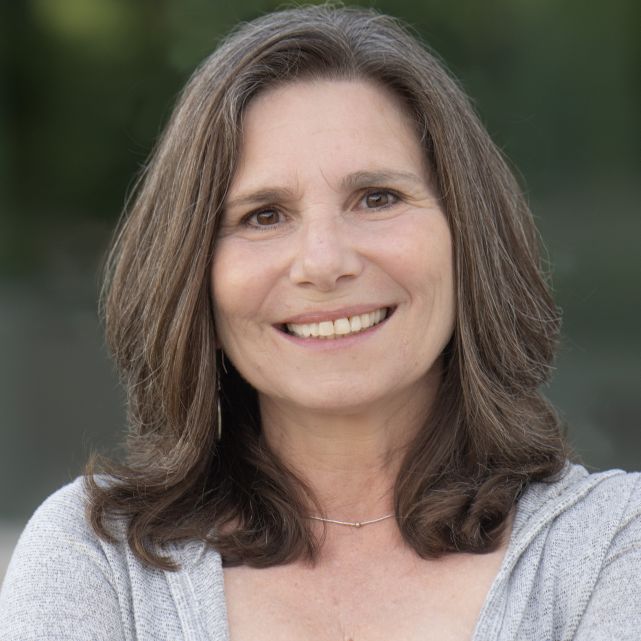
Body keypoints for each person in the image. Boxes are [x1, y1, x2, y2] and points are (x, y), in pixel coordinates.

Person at [1, 5, 639, 640]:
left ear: (467, 236)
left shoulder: (610, 549)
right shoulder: (100, 563)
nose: (324, 263)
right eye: (263, 215)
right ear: (192, 271)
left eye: (378, 198)